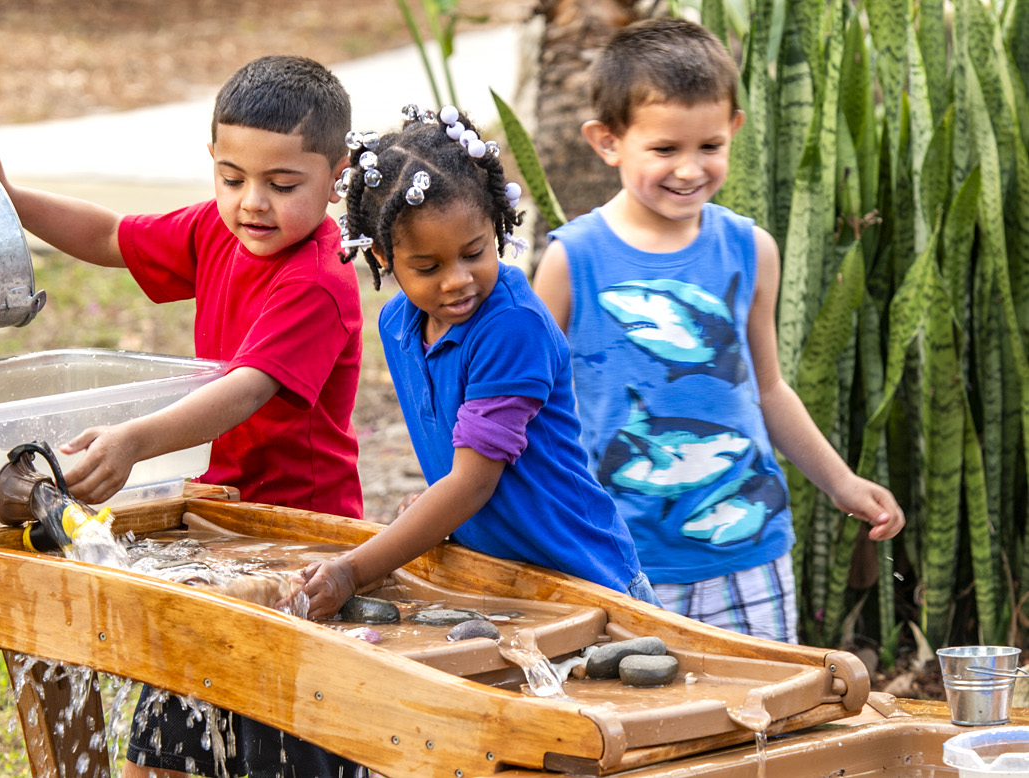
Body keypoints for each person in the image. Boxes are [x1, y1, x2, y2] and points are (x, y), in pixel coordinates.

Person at [0, 55, 366, 778]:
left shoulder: (317, 281)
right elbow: (111, 238)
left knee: (283, 748)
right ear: (212, 164)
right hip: (214, 528)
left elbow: (249, 388)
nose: (252, 202)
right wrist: (10, 199)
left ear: (336, 175)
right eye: (232, 179)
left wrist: (138, 438)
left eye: (282, 184)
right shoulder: (215, 233)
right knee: (164, 749)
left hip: (296, 542)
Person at [530, 18, 905, 644]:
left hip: (750, 551)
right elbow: (529, 407)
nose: (688, 169)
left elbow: (770, 388)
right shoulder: (572, 260)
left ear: (733, 128)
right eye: (664, 149)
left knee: (764, 720)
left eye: (708, 146)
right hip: (623, 561)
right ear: (607, 141)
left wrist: (842, 482)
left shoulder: (750, 249)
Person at [299, 104, 658, 622]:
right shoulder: (399, 325)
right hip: (499, 578)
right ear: (382, 256)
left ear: (496, 225)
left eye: (475, 252)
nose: (457, 280)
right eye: (428, 266)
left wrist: (352, 570)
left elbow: (473, 481)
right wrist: (431, 508)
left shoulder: (512, 327)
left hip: (588, 583)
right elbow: (457, 458)